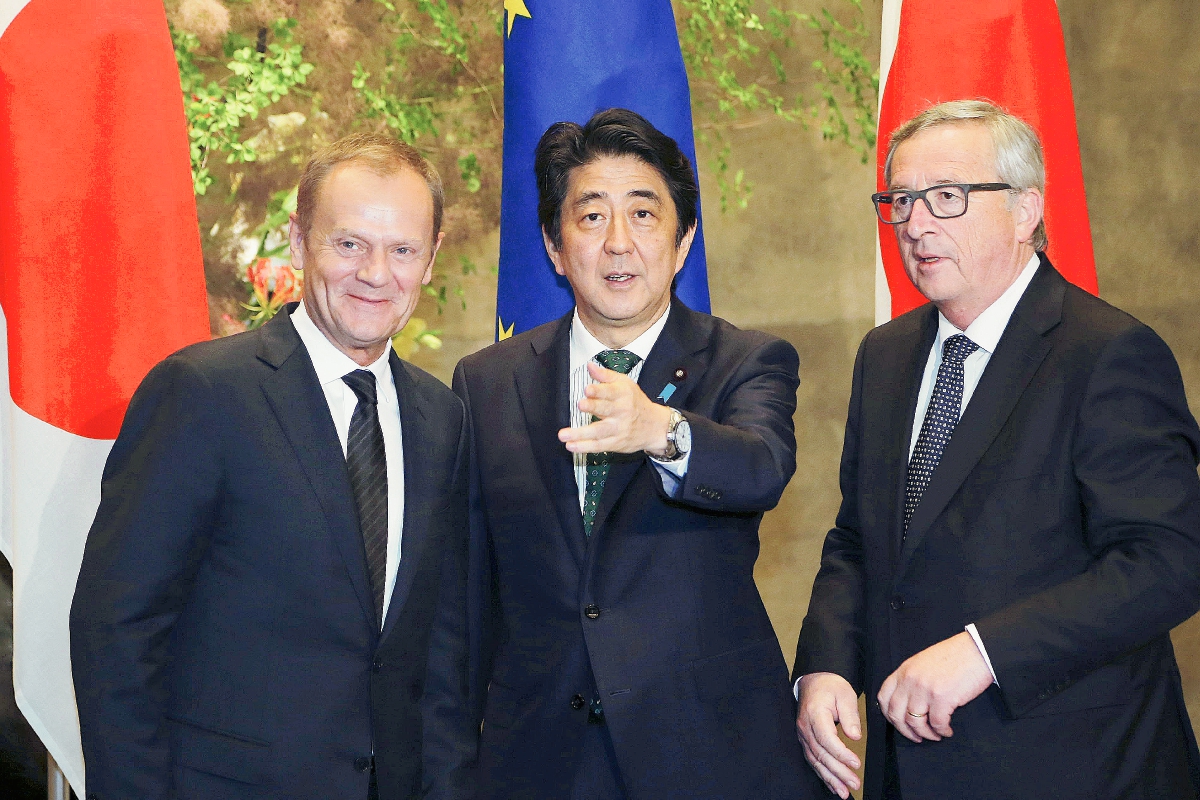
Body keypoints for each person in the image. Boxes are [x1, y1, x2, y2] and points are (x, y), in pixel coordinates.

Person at [794, 99, 1200, 800]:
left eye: (946, 197)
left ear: (1025, 211)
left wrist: (985, 652)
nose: (915, 224)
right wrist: (827, 664)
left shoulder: (1106, 353)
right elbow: (858, 541)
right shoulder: (885, 356)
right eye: (901, 200)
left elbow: (1169, 559)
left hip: (1073, 766)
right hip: (909, 771)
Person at [70, 133, 476, 800]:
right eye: (349, 244)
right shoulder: (201, 394)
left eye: (401, 249)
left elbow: (442, 651)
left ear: (430, 258)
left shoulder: (443, 420)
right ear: (298, 242)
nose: (376, 274)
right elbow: (117, 630)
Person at [453, 108, 824, 799]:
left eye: (644, 215)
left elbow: (761, 467)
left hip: (707, 756)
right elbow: (471, 593)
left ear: (683, 242)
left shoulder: (747, 361)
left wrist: (662, 430)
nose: (618, 243)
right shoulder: (486, 381)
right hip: (537, 760)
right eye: (591, 217)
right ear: (555, 247)